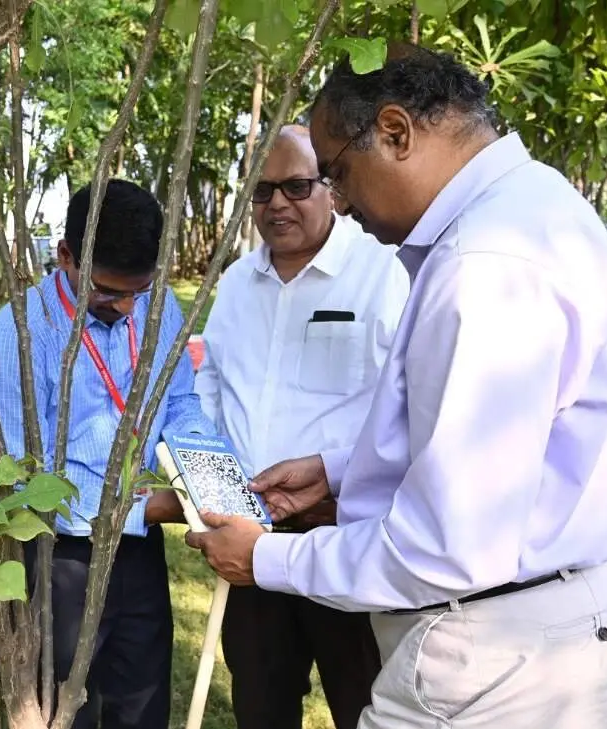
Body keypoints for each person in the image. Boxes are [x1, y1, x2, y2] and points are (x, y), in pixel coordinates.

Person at [186, 45, 607, 728]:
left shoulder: (484, 265)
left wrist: (267, 556)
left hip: (489, 651)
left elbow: (442, 546)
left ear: (397, 133)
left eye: (337, 174)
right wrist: (340, 471)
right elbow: (502, 446)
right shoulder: (535, 208)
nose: (339, 204)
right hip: (534, 628)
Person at [193, 125, 408, 729]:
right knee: (261, 704)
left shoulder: (381, 275)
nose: (278, 204)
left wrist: (342, 487)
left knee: (364, 703)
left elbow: (406, 407)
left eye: (295, 185)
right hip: (251, 540)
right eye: (263, 191)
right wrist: (209, 489)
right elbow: (212, 389)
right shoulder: (237, 284)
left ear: (332, 190)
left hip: (343, 536)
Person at [0, 179, 213, 729]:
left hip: (138, 553)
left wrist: (212, 478)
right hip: (57, 555)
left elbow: (181, 404)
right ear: (66, 256)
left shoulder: (154, 312)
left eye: (139, 290)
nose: (126, 307)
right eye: (110, 292)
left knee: (141, 700)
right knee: (66, 707)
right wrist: (140, 508)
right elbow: (21, 480)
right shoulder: (19, 332)